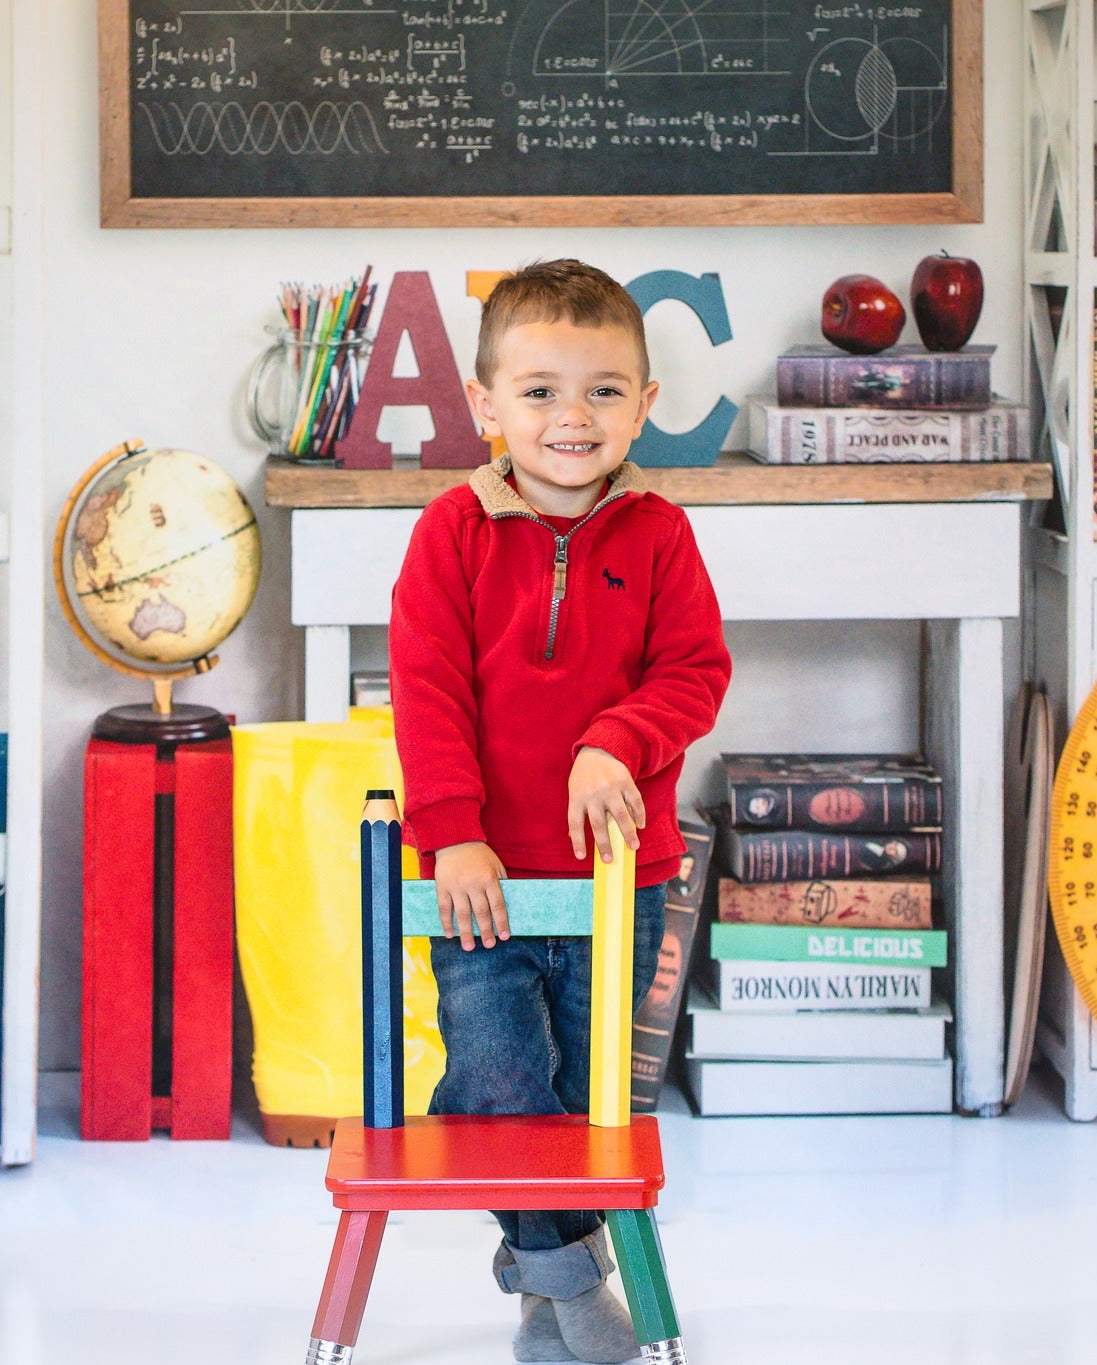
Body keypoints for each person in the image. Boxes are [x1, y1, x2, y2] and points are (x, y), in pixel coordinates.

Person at [389, 259, 732, 1363]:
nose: (569, 417)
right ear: (485, 406)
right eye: (537, 391)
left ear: (644, 405)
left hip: (614, 882)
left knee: (586, 1109)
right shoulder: (450, 531)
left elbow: (693, 674)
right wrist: (451, 830)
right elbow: (427, 687)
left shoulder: (659, 535)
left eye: (600, 390)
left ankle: (544, 1297)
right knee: (494, 1085)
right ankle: (574, 1281)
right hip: (481, 881)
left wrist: (610, 743)